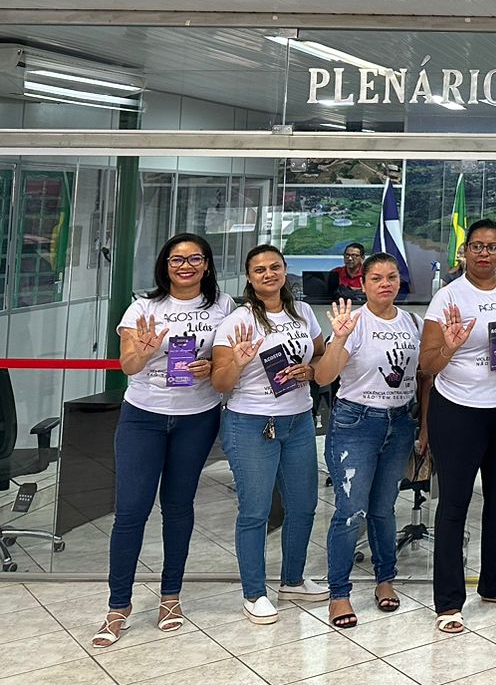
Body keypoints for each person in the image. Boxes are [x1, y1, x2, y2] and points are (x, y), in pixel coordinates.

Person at [94, 233, 237, 648]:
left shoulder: (223, 306)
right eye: (177, 259)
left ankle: (170, 596)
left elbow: (226, 362)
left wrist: (210, 366)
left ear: (206, 264)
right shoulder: (143, 308)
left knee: (178, 507)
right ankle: (118, 605)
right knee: (131, 511)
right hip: (143, 416)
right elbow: (128, 365)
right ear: (165, 265)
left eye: (195, 258)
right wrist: (143, 351)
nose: (186, 266)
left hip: (197, 418)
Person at [419, 218, 496, 634]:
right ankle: (448, 601)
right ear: (465, 251)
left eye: (492, 247)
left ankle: (494, 584)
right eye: (477, 246)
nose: (484, 253)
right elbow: (427, 365)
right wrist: (450, 346)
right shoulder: (448, 297)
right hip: (459, 410)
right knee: (454, 505)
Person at [212, 244, 328, 624]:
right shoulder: (238, 321)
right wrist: (238, 363)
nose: (268, 274)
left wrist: (311, 371)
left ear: (284, 270)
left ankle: (292, 580)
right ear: (249, 277)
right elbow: (220, 383)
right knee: (255, 511)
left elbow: (319, 354)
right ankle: (254, 592)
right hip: (251, 423)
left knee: (303, 505)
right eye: (259, 269)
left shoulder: (302, 312)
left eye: (274, 267)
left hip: (298, 421)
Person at [314, 253, 426, 629]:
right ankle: (339, 593)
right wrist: (339, 339)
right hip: (356, 424)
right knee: (351, 511)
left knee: (383, 509)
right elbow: (323, 377)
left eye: (392, 277)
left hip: (400, 424)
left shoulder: (413, 322)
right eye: (376, 278)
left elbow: (424, 377)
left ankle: (385, 579)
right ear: (362, 284)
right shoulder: (355, 322)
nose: (385, 283)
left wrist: (424, 427)